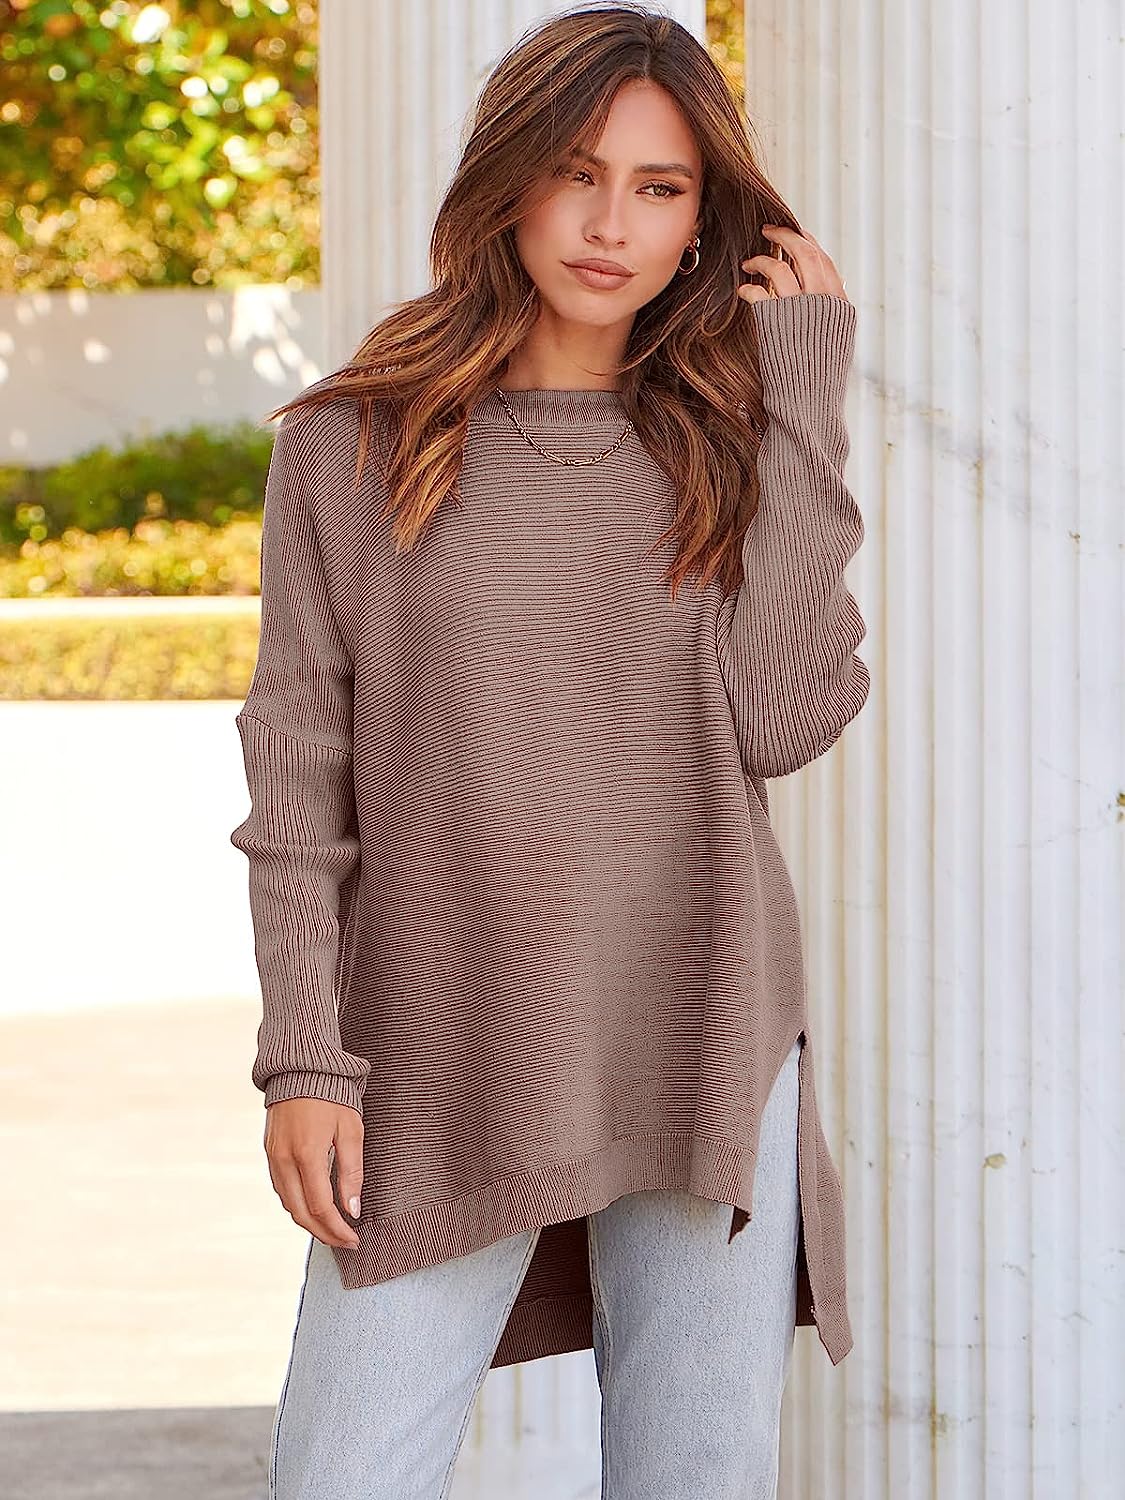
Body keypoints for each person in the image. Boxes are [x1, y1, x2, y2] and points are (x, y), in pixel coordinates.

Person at [229, 5, 870, 1497]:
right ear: (509, 180)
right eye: (578, 173)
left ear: (703, 221)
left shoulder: (727, 443)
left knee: (693, 1479)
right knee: (342, 1472)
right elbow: (297, 772)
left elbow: (785, 720)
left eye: (659, 188)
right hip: (442, 1050)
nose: (609, 225)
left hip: (699, 1026)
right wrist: (305, 1060)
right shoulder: (348, 446)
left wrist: (804, 397)